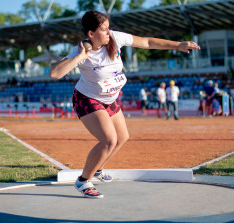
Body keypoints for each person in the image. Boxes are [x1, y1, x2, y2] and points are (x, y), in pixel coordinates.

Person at [49, 10, 200, 199]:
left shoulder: (115, 38)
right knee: (109, 140)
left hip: (109, 99)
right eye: (103, 29)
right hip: (87, 99)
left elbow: (147, 42)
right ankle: (83, 180)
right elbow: (54, 73)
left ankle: (97, 169)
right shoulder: (80, 50)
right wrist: (80, 57)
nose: (108, 32)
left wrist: (178, 45)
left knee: (122, 137)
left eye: (108, 27)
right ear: (90, 33)